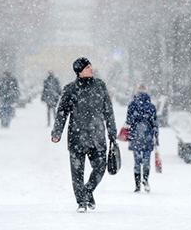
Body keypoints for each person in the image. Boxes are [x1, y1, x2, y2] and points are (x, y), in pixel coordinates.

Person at [51, 57, 117, 213]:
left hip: (97, 137)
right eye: (87, 67)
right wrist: (57, 132)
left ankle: (87, 191)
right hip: (77, 137)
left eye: (91, 66)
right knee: (77, 173)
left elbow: (108, 111)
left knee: (100, 168)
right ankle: (81, 202)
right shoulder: (70, 89)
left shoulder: (100, 86)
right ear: (79, 71)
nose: (91, 69)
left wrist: (112, 132)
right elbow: (62, 112)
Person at [125, 84, 159, 193]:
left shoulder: (132, 105)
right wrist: (156, 138)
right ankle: (145, 180)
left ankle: (137, 184)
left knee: (137, 161)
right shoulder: (151, 107)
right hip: (147, 136)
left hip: (135, 135)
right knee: (146, 161)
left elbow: (128, 121)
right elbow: (155, 123)